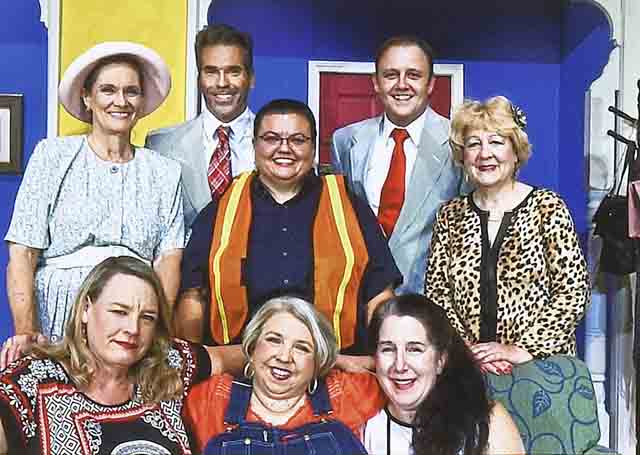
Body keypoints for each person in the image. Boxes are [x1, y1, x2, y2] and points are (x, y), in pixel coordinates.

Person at [178, 99, 401, 355]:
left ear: (314, 148)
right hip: (240, 364)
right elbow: (193, 296)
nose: (284, 149)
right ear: (254, 145)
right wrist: (192, 362)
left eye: (297, 140)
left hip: (333, 363)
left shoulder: (349, 207)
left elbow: (379, 296)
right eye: (271, 138)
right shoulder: (221, 210)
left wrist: (380, 361)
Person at [5, 42, 184, 342]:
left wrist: (157, 333)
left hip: (133, 327)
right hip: (58, 324)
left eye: (131, 91)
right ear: (87, 97)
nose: (121, 101)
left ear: (142, 101)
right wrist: (27, 333)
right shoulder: (52, 156)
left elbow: (169, 260)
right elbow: (23, 252)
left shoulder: (164, 172)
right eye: (108, 90)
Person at [0, 256, 245, 455]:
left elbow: (239, 357)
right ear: (85, 309)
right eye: (119, 312)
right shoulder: (33, 381)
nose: (133, 329)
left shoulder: (167, 364)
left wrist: (268, 346)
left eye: (147, 317)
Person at [425, 96, 590, 375]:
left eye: (496, 142)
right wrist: (468, 351)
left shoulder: (547, 207)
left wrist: (520, 350)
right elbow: (437, 295)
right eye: (474, 144)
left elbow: (572, 291)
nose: (484, 154)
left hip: (539, 369)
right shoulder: (449, 215)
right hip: (468, 369)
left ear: (516, 151)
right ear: (463, 156)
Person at [331, 35, 464, 295]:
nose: (402, 85)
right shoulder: (345, 141)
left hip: (431, 301)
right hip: (363, 298)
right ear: (376, 82)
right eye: (391, 75)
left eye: (413, 75)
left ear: (430, 84)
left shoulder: (458, 143)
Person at [184, 296, 385, 454]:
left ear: (318, 363)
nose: (284, 357)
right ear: (252, 348)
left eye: (302, 348)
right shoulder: (210, 397)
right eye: (274, 340)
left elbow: (397, 375)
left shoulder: (345, 393)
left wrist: (361, 361)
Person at [364, 294, 525, 455]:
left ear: (440, 361)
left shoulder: (488, 422)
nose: (400, 366)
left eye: (414, 349)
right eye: (388, 349)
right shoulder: (365, 429)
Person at [146, 23, 256, 229]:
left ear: (251, 78)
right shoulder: (160, 145)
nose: (222, 83)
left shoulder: (279, 144)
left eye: (233, 72)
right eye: (211, 72)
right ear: (199, 79)